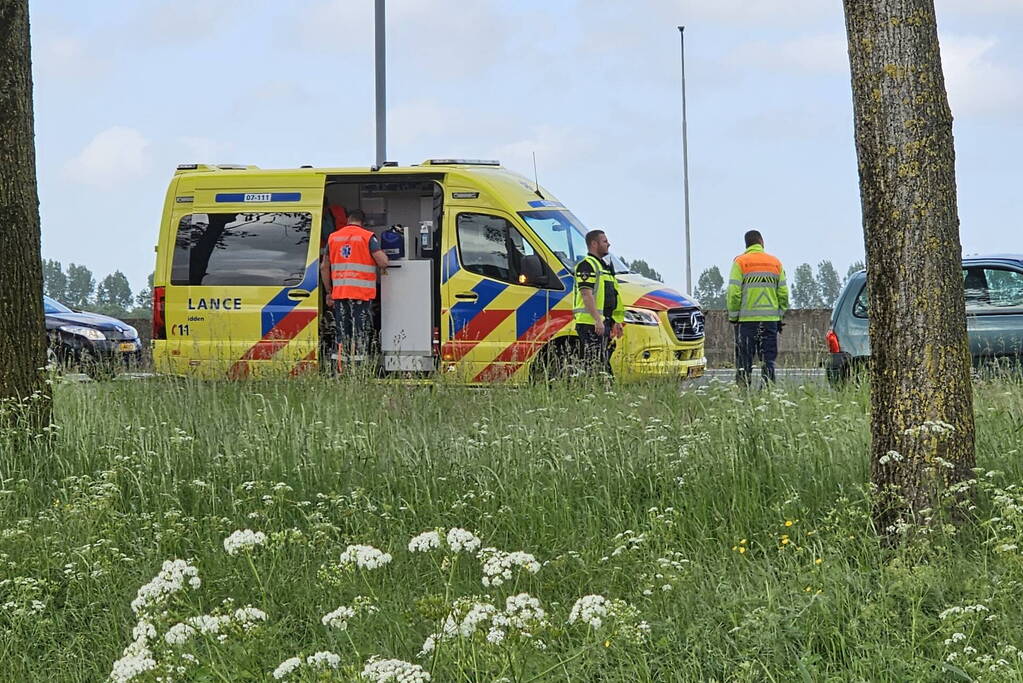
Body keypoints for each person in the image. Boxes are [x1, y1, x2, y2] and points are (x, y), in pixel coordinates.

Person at [321, 209, 389, 372]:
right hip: (361, 295)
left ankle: (340, 370)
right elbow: (383, 262)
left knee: (342, 334)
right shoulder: (367, 237)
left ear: (348, 220)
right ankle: (359, 371)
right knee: (359, 333)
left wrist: (329, 292)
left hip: (340, 295)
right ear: (362, 222)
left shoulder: (333, 237)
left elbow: (324, 267)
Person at [726, 229, 789, 387]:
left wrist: (734, 317)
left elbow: (734, 293)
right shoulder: (775, 263)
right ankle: (767, 393)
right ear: (761, 242)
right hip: (770, 322)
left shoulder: (740, 262)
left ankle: (743, 395)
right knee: (768, 361)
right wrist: (779, 315)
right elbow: (783, 294)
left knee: (744, 362)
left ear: (746, 244)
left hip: (747, 322)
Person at [573, 229, 624, 376]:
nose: (609, 244)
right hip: (591, 324)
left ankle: (597, 391)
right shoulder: (586, 266)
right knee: (597, 365)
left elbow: (612, 297)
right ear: (594, 244)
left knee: (600, 363)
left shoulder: (605, 268)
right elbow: (586, 295)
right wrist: (597, 320)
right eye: (605, 241)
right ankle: (598, 391)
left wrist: (616, 321)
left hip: (603, 323)